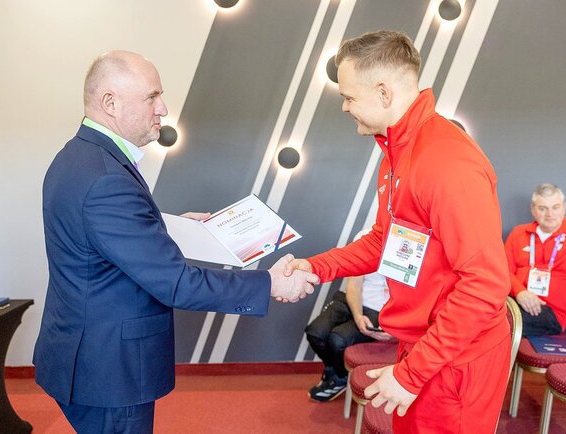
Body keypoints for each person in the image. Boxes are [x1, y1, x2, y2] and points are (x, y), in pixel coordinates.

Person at [33, 50, 319, 434]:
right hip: (109, 372)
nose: (163, 109)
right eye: (151, 97)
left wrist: (171, 226)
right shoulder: (106, 178)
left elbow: (98, 237)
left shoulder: (79, 157)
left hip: (87, 354)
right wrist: (269, 283)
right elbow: (177, 283)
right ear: (110, 103)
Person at [284, 30, 511, 433]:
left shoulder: (447, 162)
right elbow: (384, 242)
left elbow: (485, 285)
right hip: (423, 343)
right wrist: (314, 267)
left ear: (384, 93)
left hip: (457, 356)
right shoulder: (396, 152)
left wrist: (411, 374)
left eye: (349, 97)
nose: (345, 106)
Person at [504, 183, 566, 336]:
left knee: (497, 322)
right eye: (542, 208)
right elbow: (504, 271)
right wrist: (520, 292)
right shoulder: (518, 233)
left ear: (564, 207)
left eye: (555, 207)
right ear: (533, 209)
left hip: (551, 314)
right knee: (483, 309)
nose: (550, 214)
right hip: (514, 302)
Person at [305, 228, 392, 402]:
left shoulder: (411, 242)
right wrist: (358, 316)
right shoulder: (366, 235)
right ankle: (339, 376)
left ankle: (336, 378)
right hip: (351, 299)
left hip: (380, 308)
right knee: (315, 332)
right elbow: (354, 285)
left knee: (337, 339)